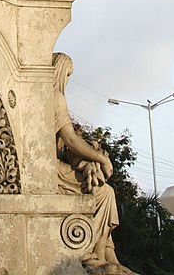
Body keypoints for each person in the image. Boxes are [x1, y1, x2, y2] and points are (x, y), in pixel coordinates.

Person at [53, 52, 130, 272]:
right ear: (60, 72)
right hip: (50, 171)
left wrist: (89, 162)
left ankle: (105, 252)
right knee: (104, 192)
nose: (67, 80)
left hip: (54, 166)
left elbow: (68, 147)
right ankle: (94, 254)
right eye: (67, 75)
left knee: (99, 184)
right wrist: (101, 159)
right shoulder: (54, 96)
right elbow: (71, 139)